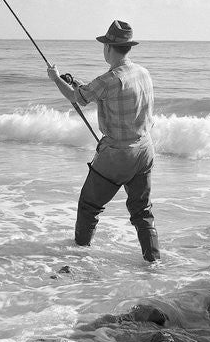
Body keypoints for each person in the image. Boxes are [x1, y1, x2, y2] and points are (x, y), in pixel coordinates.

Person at [47, 20, 160, 262]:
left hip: (118, 155)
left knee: (89, 206)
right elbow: (103, 95)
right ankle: (154, 263)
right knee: (142, 212)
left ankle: (79, 257)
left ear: (108, 47)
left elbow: (76, 97)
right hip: (145, 149)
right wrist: (76, 82)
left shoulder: (108, 79)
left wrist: (56, 78)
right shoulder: (143, 73)